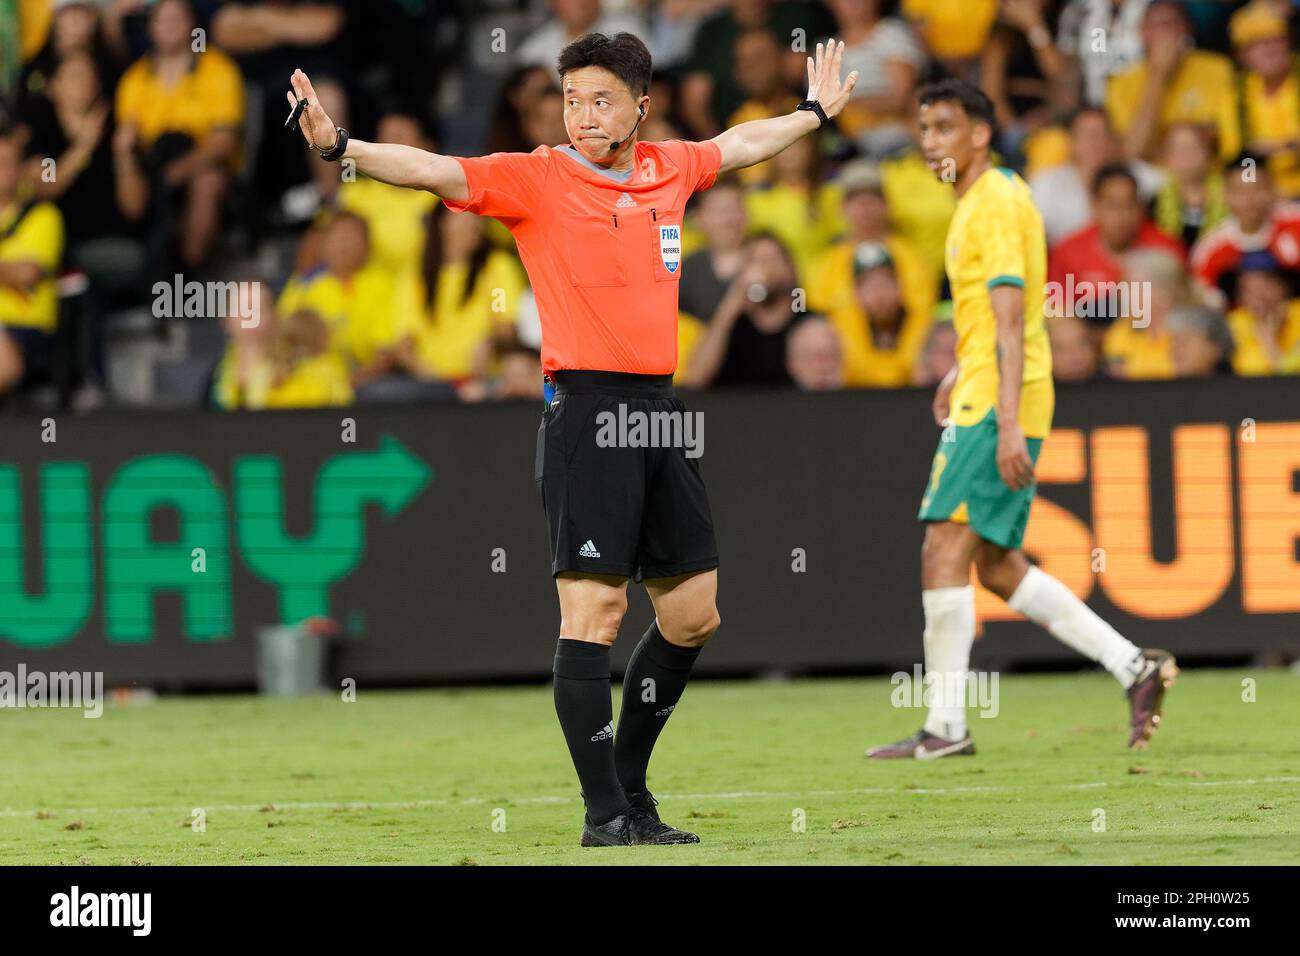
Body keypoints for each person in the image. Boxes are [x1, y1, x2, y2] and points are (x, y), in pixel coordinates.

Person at [286, 31, 859, 845]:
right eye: (572, 99)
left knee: (696, 615)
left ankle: (629, 787)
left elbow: (738, 144)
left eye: (599, 100)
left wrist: (808, 113)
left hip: (660, 411)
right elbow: (434, 169)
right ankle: (605, 815)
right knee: (595, 612)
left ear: (639, 108)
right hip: (586, 413)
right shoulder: (538, 177)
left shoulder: (670, 167)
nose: (582, 116)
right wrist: (340, 145)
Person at [866, 80, 1177, 761]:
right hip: (990, 387)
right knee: (999, 565)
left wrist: (1005, 422)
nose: (930, 141)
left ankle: (945, 728)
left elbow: (1012, 320)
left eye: (944, 127)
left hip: (1000, 399)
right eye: (923, 129)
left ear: (981, 133)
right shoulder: (978, 201)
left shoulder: (997, 202)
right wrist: (957, 369)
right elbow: (995, 318)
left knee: (942, 547)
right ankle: (1135, 666)